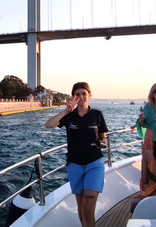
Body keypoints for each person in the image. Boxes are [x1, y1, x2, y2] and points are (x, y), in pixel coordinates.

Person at [45, 82, 108, 227]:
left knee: (87, 205)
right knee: (81, 206)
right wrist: (65, 112)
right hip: (74, 165)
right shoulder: (69, 116)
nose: (81, 97)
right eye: (77, 94)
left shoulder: (97, 115)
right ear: (74, 97)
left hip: (94, 163)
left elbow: (103, 138)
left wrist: (102, 143)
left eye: (84, 94)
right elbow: (49, 124)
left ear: (89, 95)